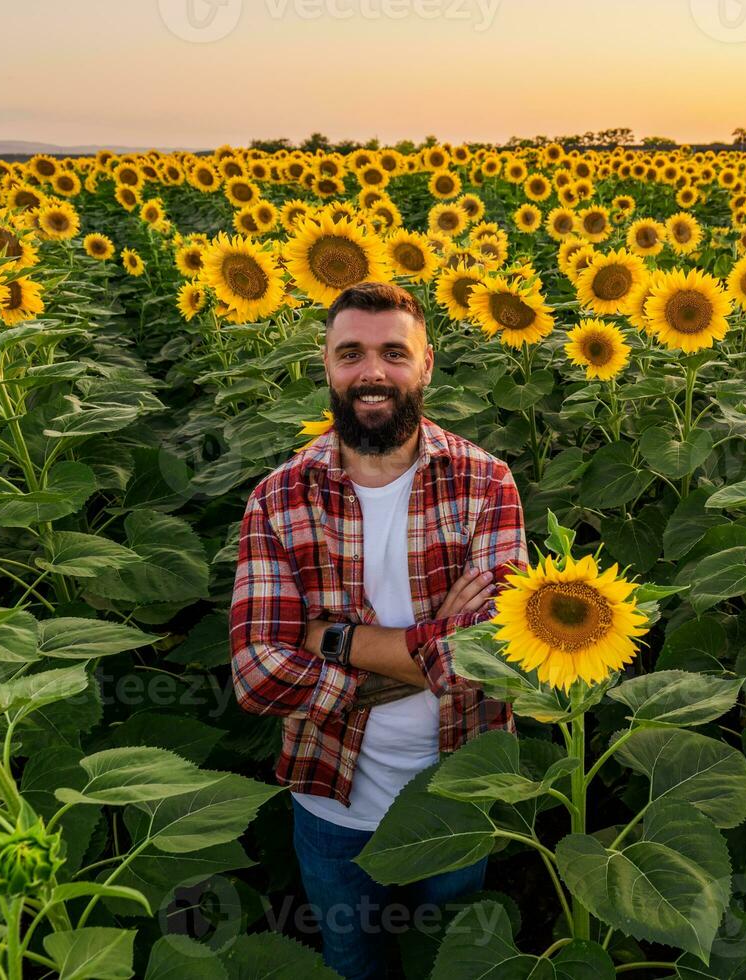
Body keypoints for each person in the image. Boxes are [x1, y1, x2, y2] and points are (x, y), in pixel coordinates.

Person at [229, 281, 528, 979]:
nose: (372, 372)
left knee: (447, 966)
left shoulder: (486, 483)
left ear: (426, 365)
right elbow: (256, 678)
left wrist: (328, 637)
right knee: (351, 964)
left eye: (394, 353)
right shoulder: (279, 496)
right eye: (351, 353)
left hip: (458, 793)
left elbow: (491, 660)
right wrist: (435, 638)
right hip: (331, 800)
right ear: (326, 365)